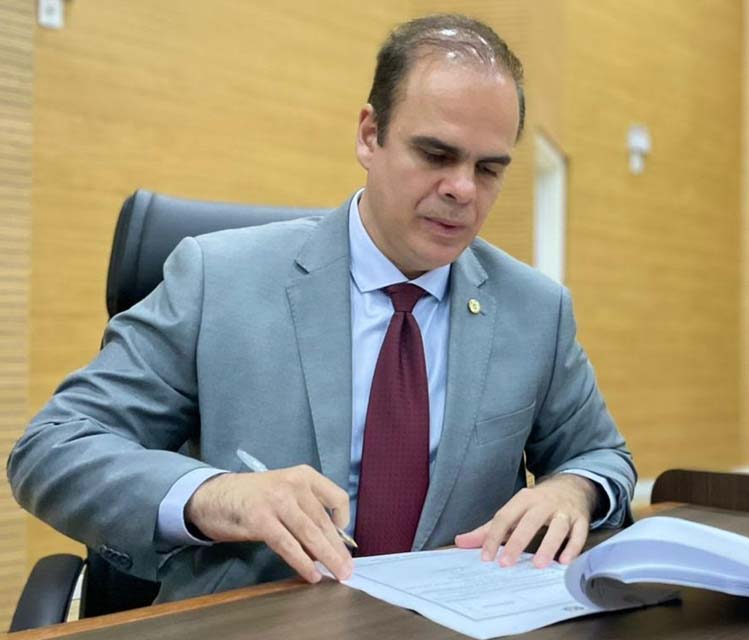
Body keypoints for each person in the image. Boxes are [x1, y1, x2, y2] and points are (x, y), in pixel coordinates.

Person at [8, 14, 636, 603]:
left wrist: (574, 489)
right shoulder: (217, 278)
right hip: (261, 619)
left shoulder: (536, 309)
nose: (462, 189)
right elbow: (53, 449)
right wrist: (215, 495)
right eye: (436, 155)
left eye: (489, 168)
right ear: (370, 135)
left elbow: (603, 457)